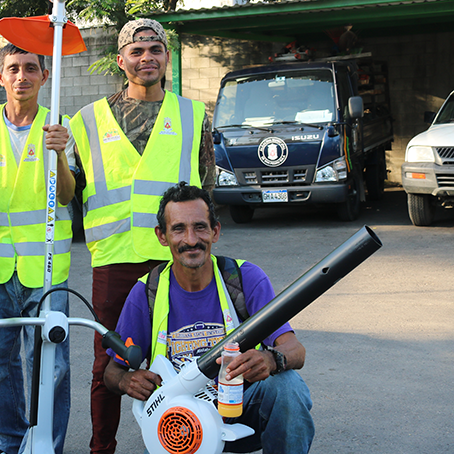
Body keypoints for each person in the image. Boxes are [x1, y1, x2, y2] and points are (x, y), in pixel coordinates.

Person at [67, 18, 215, 454]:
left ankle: (190, 440)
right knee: (110, 364)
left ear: (168, 57)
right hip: (114, 258)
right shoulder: (86, 121)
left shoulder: (192, 115)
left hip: (178, 258)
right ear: (121, 60)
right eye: (137, 51)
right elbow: (70, 190)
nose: (146, 58)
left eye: (155, 50)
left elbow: (205, 188)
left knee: (191, 358)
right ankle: (102, 448)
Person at [103, 182, 314, 453]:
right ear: (162, 236)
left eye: (200, 227)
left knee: (288, 387)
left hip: (240, 409)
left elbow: (296, 350)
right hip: (180, 425)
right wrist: (124, 381)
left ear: (215, 231)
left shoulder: (245, 278)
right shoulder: (146, 293)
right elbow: (112, 371)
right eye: (178, 228)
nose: (191, 239)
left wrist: (272, 359)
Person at [0, 44, 76, 454]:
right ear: (1, 77)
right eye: (13, 69)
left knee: (51, 366)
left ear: (44, 77)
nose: (21, 76)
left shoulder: (59, 125)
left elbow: (66, 195)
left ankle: (46, 444)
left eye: (30, 68)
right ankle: (7, 443)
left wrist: (59, 153)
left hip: (44, 267)